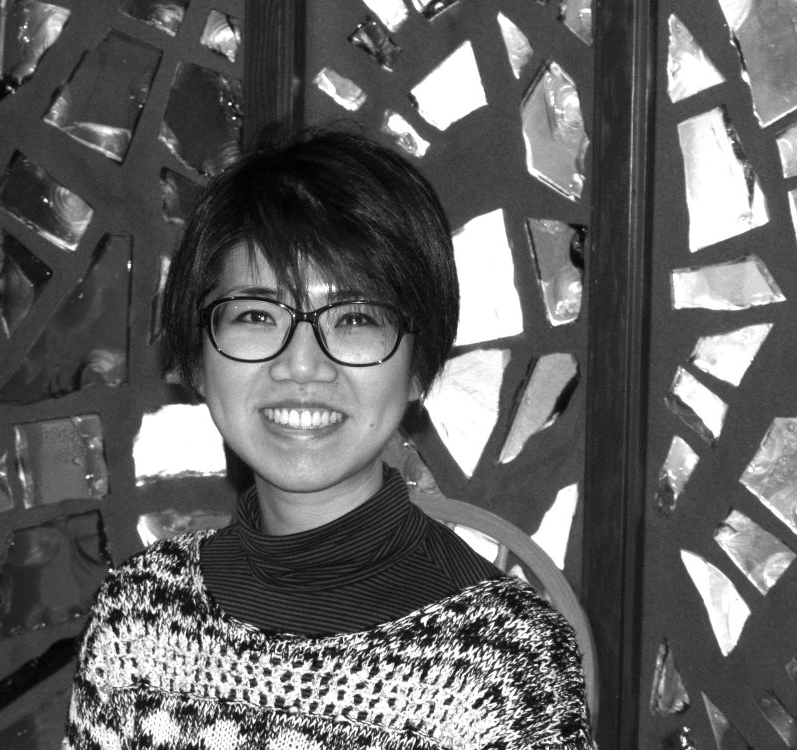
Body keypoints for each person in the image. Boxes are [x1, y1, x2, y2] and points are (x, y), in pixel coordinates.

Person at [64, 129, 594, 749]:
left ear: (419, 367)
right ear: (198, 360)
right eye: (257, 315)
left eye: (355, 319)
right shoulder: (138, 612)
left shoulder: (501, 661)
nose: (302, 365)